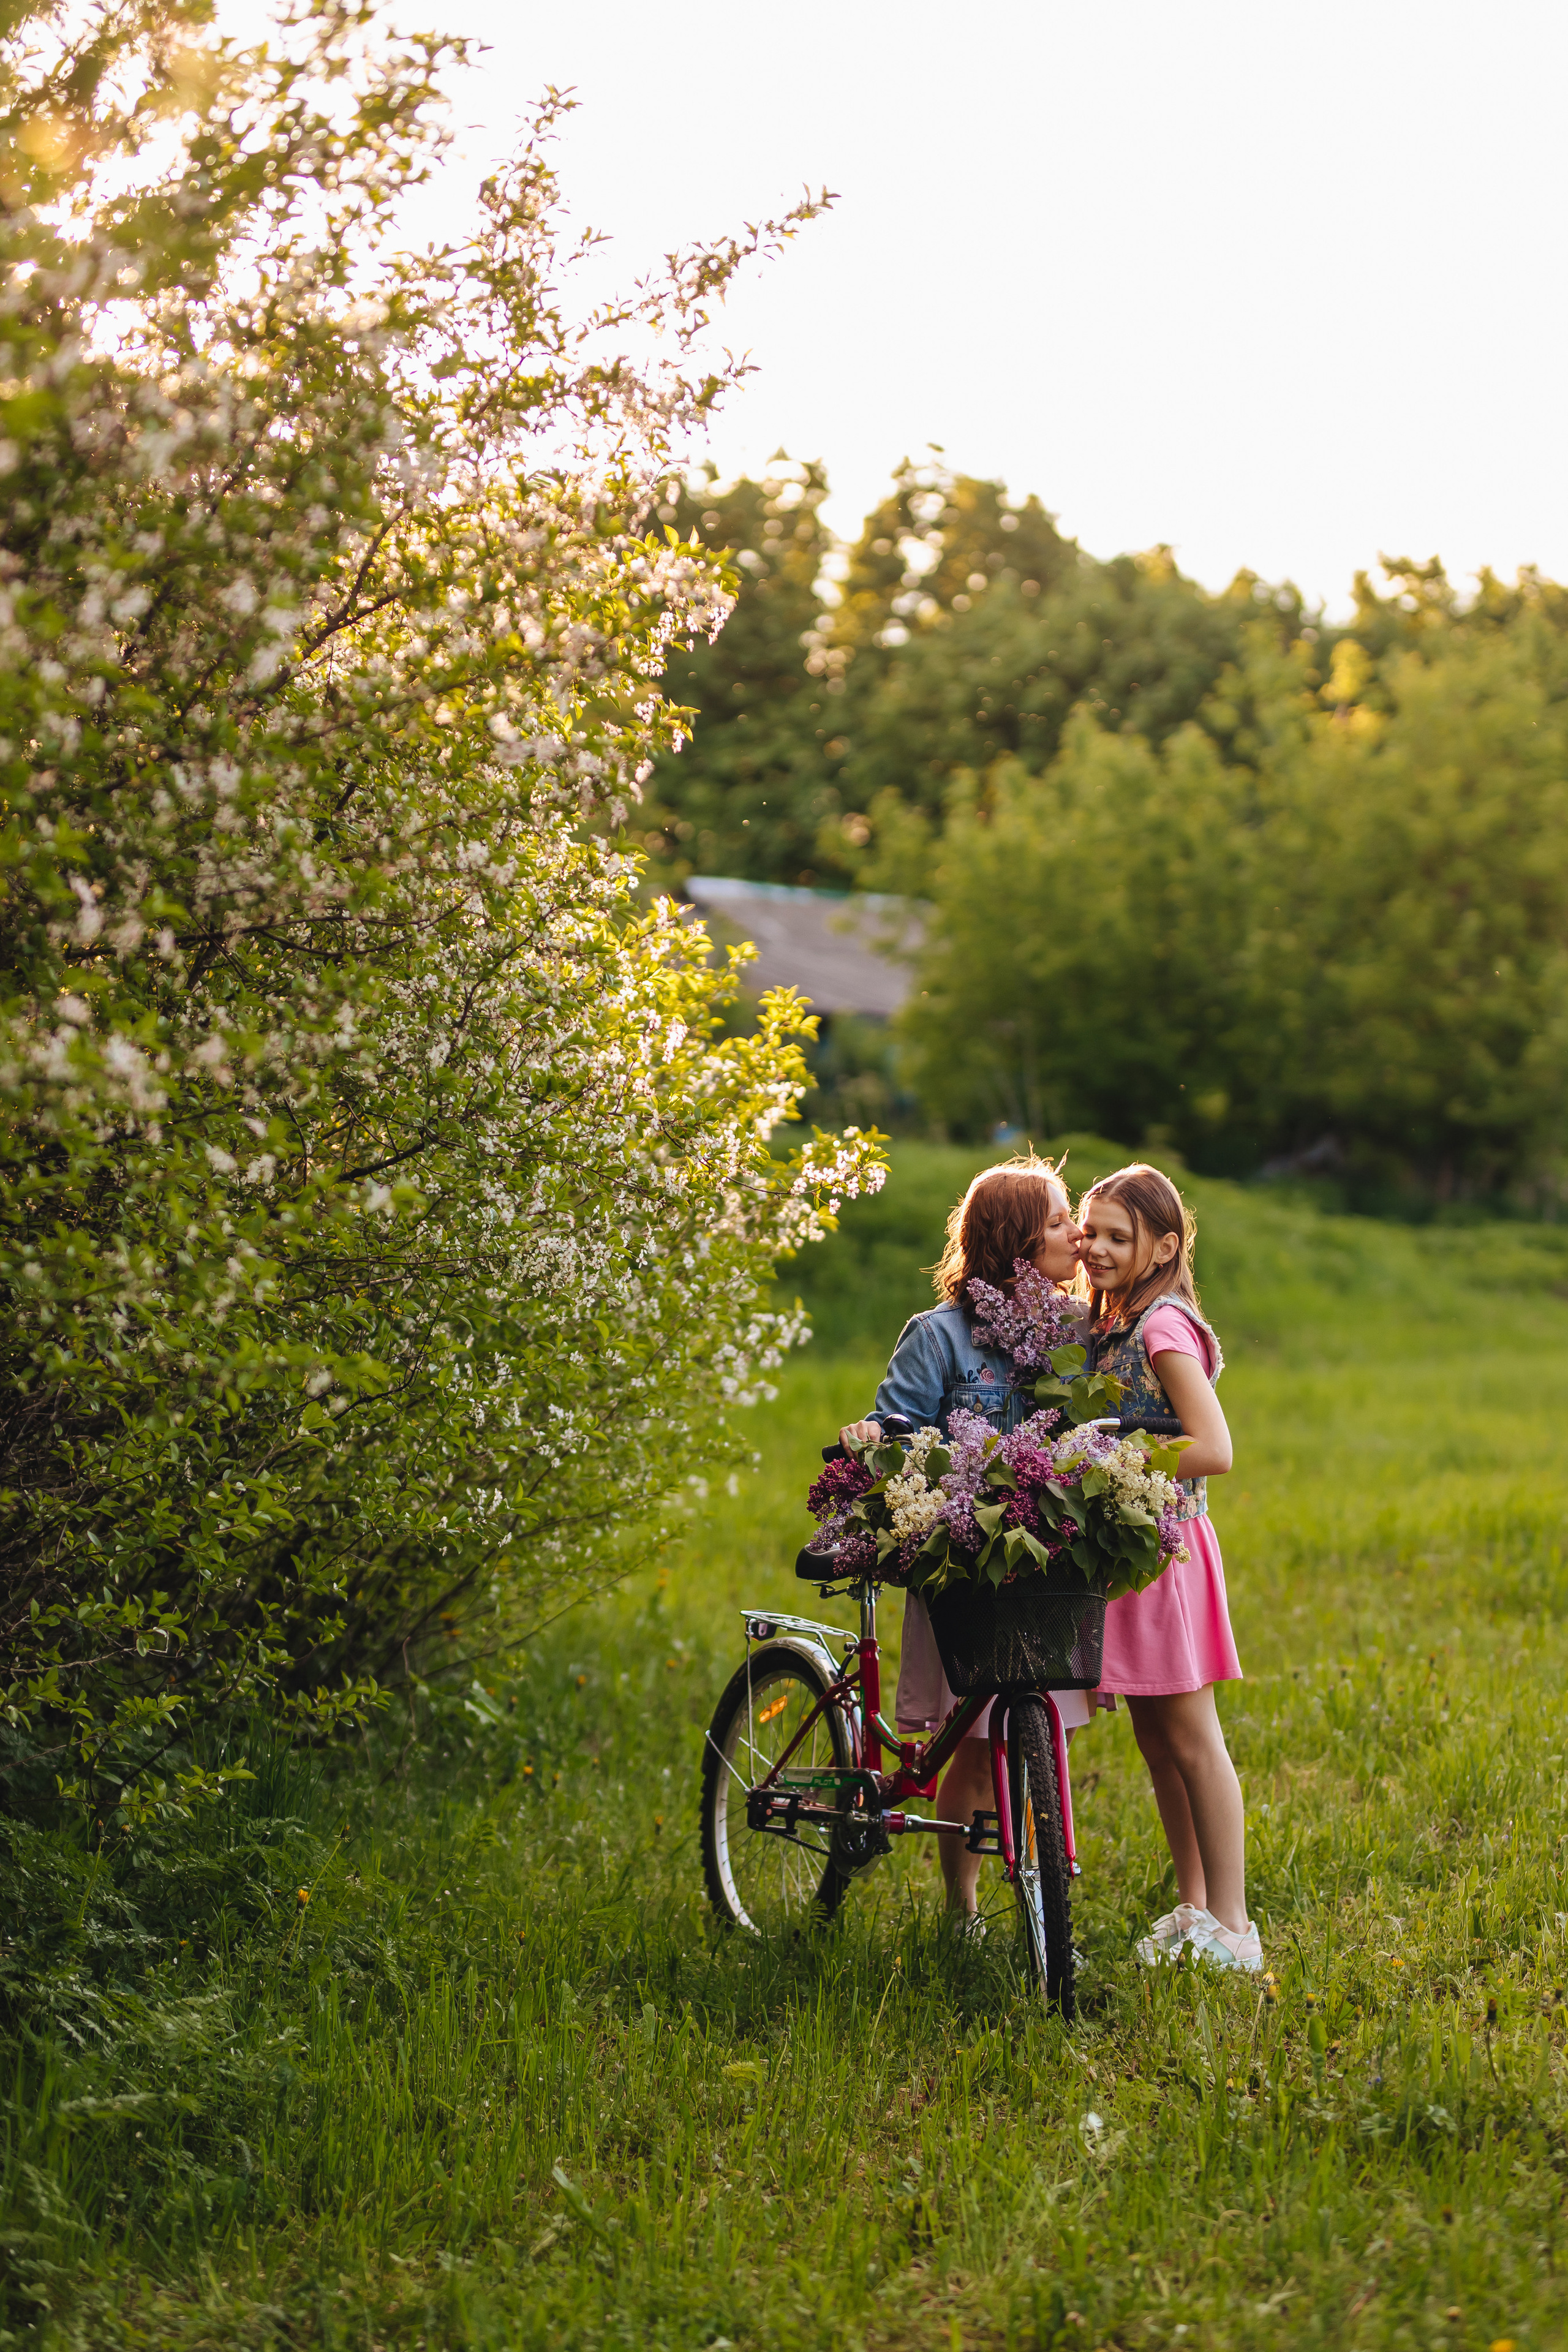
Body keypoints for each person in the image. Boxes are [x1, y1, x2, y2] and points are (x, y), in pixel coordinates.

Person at [838, 1153, 1089, 1924]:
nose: (1075, 1234)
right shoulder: (940, 1335)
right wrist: (876, 1436)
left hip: (1041, 1562)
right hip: (967, 1566)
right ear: (1016, 1242)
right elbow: (900, 1421)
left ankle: (1044, 1897)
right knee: (976, 1747)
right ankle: (963, 1906)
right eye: (1057, 1221)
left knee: (1038, 1742)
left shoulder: (1077, 1329)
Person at [1079, 1162, 1260, 1972]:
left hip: (1167, 1557)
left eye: (1121, 1236)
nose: (1100, 1248)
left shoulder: (1162, 1327)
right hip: (1131, 1555)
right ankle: (1192, 1906)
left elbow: (1213, 1447)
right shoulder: (1118, 1321)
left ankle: (1234, 1922)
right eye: (1093, 1233)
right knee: (1157, 1741)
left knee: (1192, 1739)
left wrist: (1107, 1458)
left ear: (1166, 1245)